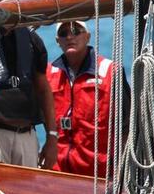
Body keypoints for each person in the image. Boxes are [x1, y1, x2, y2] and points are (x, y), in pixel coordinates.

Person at [46, 19, 130, 178]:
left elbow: (127, 126)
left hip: (99, 175)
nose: (70, 37)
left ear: (88, 37)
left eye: (76, 31)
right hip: (58, 173)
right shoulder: (49, 74)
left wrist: (120, 172)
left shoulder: (110, 72)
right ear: (58, 41)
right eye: (64, 33)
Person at [0, 27, 58, 168]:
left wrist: (51, 136)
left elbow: (43, 90)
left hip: (27, 135)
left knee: (26, 190)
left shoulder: (32, 39)